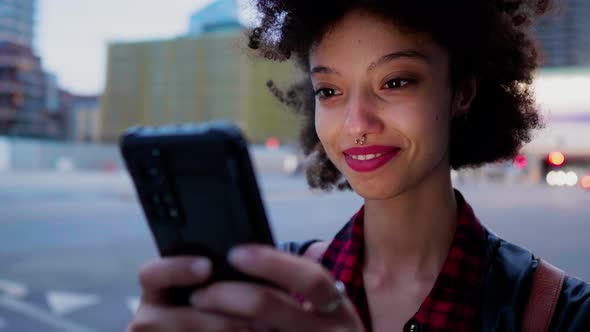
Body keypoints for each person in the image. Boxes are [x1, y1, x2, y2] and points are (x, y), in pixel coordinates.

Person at [127, 1, 590, 331]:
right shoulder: (269, 285)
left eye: (395, 81)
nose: (356, 124)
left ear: (462, 92)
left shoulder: (563, 313)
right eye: (329, 91)